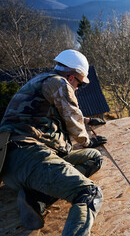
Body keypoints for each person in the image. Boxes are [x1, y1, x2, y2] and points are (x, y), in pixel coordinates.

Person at [0, 49, 108, 235]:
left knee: (95, 158)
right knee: (90, 194)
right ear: (72, 76)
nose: (77, 89)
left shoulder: (42, 80)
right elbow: (72, 118)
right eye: (80, 84)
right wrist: (87, 141)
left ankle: (36, 195)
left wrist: (88, 121)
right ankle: (37, 196)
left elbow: (57, 112)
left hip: (14, 163)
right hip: (29, 157)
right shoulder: (60, 83)